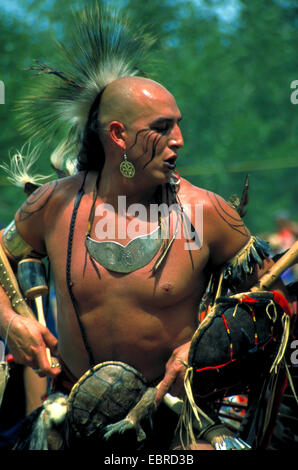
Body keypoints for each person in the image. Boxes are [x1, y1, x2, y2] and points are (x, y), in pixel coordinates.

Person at [0, 5, 293, 451]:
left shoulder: (207, 212)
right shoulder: (55, 205)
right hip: (74, 422)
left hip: (178, 428)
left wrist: (203, 348)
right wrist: (10, 322)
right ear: (118, 136)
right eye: (161, 128)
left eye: (179, 125)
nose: (178, 139)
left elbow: (273, 306)